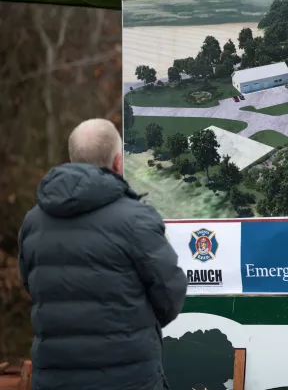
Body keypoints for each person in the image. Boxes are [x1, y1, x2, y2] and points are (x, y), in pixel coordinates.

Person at [18, 118, 188, 390]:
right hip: (129, 379)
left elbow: (32, 287)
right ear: (119, 162)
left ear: (73, 158)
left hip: (54, 379)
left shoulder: (32, 221)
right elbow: (170, 294)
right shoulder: (137, 218)